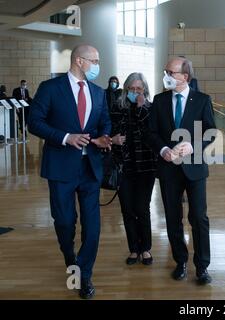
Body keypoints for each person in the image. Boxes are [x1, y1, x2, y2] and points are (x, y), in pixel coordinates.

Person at [28, 44, 112, 299]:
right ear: (78, 60)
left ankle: (83, 274)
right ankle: (69, 255)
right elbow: (35, 123)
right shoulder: (50, 88)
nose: (97, 65)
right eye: (94, 60)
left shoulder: (98, 92)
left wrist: (103, 138)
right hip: (61, 168)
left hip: (90, 168)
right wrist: (66, 137)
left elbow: (104, 121)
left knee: (93, 227)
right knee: (65, 222)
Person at [149, 57, 216, 285]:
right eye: (165, 71)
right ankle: (181, 261)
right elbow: (151, 133)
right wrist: (164, 149)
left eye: (170, 72)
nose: (166, 75)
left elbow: (211, 132)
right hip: (168, 169)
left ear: (184, 77)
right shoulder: (159, 101)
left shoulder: (203, 100)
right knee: (172, 218)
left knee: (198, 217)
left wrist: (194, 146)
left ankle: (202, 266)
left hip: (195, 168)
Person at [110, 72, 158, 266]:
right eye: (132, 89)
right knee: (128, 209)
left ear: (144, 90)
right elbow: (110, 129)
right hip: (124, 165)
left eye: (139, 89)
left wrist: (140, 107)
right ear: (126, 89)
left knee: (142, 207)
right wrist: (114, 139)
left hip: (146, 165)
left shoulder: (150, 108)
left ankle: (145, 248)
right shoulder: (117, 107)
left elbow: (151, 132)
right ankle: (133, 249)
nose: (135, 92)